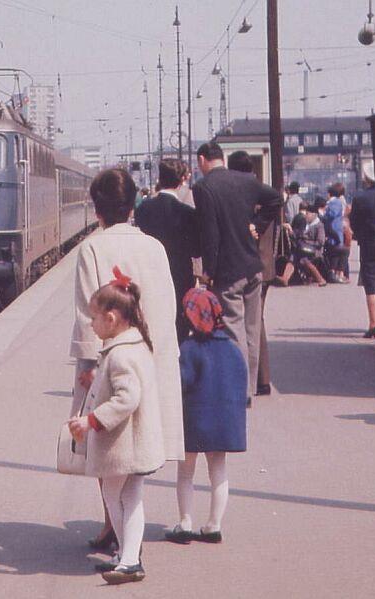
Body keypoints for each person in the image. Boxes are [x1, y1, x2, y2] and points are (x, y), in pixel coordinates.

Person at [70, 168, 184, 549]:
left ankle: (113, 527)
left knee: (107, 446)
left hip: (109, 364)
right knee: (139, 444)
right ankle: (120, 529)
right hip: (150, 358)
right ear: (133, 203)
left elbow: (89, 314)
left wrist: (87, 365)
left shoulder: (93, 248)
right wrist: (162, 358)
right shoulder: (154, 246)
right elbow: (167, 308)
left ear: (96, 208)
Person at [68, 272, 164, 584]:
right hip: (135, 442)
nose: (92, 325)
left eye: (94, 318)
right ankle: (127, 556)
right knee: (130, 498)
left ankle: (130, 558)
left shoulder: (120, 353)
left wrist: (91, 420)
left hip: (122, 443)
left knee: (116, 497)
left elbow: (127, 397)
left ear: (111, 318)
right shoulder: (134, 344)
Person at [192, 142, 282, 405]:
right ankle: (250, 388)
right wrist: (258, 224)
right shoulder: (246, 180)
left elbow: (210, 234)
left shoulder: (204, 188)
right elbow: (276, 198)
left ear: (202, 160)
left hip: (228, 271)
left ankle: (239, 392)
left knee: (234, 331)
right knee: (252, 330)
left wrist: (208, 271)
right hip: (253, 267)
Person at [164, 287, 247, 545]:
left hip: (193, 421)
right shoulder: (233, 350)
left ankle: (185, 523)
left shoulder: (189, 349)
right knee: (218, 471)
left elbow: (180, 383)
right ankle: (214, 525)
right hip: (223, 424)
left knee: (185, 473)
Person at [134, 159, 199, 343]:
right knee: (179, 326)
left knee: (152, 322)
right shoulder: (188, 213)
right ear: (181, 181)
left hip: (149, 274)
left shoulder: (143, 210)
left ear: (159, 179)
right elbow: (196, 250)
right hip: (180, 275)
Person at [227, 150, 272, 396]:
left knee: (249, 325)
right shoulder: (261, 190)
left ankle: (254, 382)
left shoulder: (248, 194)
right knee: (256, 324)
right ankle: (260, 380)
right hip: (261, 263)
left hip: (251, 263)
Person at [349, 163, 375, 338]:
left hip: (369, 244)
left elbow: (354, 223)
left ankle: (373, 324)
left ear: (366, 177)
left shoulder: (360, 198)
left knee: (372, 284)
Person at [324, 183, 351, 284]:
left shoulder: (335, 202)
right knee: (339, 251)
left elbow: (332, 214)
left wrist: (325, 212)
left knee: (337, 251)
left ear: (330, 194)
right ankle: (337, 274)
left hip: (335, 230)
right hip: (334, 230)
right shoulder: (334, 202)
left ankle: (337, 274)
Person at [295, 204, 328, 286]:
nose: (306, 216)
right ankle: (285, 278)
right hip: (304, 250)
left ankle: (320, 279)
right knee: (293, 256)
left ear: (314, 215)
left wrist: (306, 242)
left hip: (315, 251)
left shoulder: (319, 226)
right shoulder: (305, 224)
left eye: (307, 214)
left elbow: (320, 242)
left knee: (304, 260)